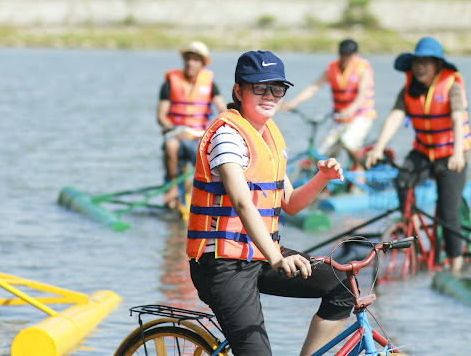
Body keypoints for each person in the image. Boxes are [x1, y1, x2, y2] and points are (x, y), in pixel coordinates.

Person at [187, 50, 354, 355]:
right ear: (239, 91)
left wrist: (322, 178)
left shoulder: (269, 136)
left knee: (342, 284)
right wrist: (277, 258)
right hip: (222, 266)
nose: (270, 95)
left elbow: (289, 203)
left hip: (259, 255)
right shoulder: (227, 136)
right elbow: (242, 202)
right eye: (259, 87)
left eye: (277, 89)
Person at [365, 36, 470, 274]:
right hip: (423, 152)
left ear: (437, 65)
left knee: (448, 214)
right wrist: (378, 147)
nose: (420, 67)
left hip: (451, 154)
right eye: (416, 62)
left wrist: (457, 153)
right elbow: (395, 117)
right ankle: (406, 226)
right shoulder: (408, 89)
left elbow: (457, 118)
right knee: (402, 180)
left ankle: (455, 265)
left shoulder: (451, 86)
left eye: (426, 62)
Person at [283, 39, 375, 187]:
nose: (345, 58)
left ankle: (359, 167)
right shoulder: (332, 68)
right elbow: (314, 88)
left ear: (355, 55)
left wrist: (350, 110)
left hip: (360, 116)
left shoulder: (362, 69)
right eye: (343, 54)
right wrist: (292, 103)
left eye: (349, 55)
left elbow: (362, 95)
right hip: (339, 118)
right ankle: (324, 185)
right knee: (322, 152)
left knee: (349, 141)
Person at [157, 40, 226, 209]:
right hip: (177, 133)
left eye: (195, 59)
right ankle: (172, 187)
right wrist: (175, 129)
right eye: (188, 58)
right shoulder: (169, 83)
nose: (190, 63)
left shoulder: (210, 85)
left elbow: (222, 109)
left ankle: (206, 196)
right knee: (171, 145)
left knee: (210, 155)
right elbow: (161, 116)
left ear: (203, 64)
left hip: (200, 136)